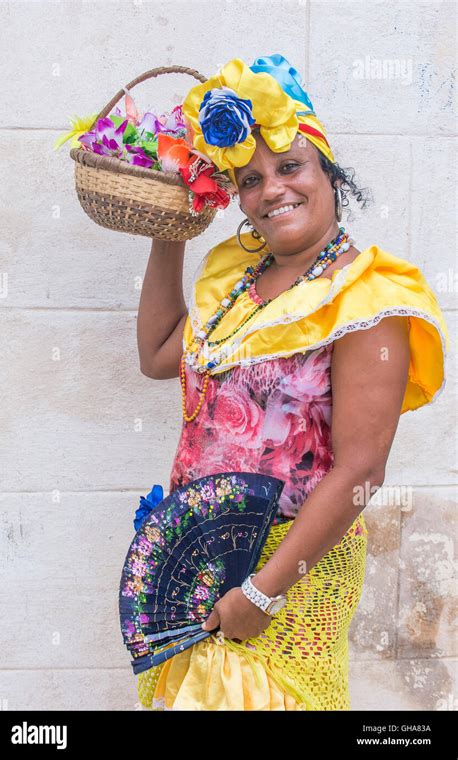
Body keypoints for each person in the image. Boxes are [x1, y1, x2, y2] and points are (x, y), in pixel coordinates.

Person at [135, 54, 449, 710]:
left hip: (290, 566)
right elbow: (162, 353)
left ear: (328, 172)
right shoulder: (239, 283)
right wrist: (170, 229)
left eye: (289, 167)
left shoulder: (368, 296)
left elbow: (363, 468)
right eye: (249, 180)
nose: (272, 189)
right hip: (196, 558)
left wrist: (263, 591)